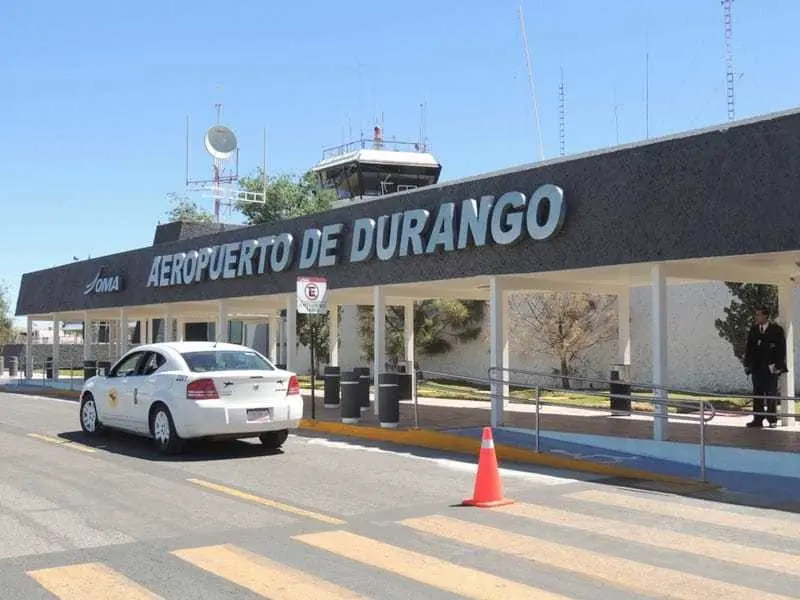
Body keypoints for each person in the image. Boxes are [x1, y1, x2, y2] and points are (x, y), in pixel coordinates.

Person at [743, 306, 787, 428]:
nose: (757, 317)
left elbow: (781, 349)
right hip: (757, 368)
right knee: (757, 394)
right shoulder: (754, 330)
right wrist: (747, 364)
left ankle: (772, 419)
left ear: (766, 316)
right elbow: (749, 348)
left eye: (759, 314)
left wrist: (778, 366)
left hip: (770, 368)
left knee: (771, 393)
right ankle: (757, 419)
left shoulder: (776, 330)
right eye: (756, 315)